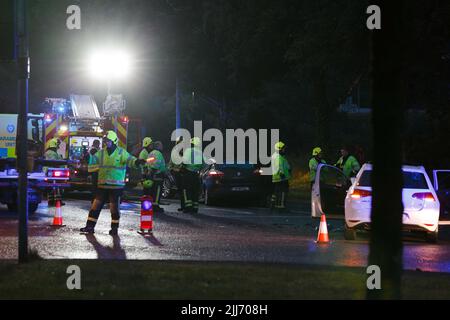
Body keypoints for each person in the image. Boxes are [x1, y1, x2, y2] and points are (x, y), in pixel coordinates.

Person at [80, 131, 146, 235]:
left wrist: (137, 162)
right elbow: (93, 160)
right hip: (102, 185)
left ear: (114, 141)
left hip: (116, 187)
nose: (106, 143)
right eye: (105, 141)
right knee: (95, 207)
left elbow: (131, 160)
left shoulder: (121, 152)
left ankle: (114, 229)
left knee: (114, 209)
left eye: (108, 141)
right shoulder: (101, 152)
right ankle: (89, 227)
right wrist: (88, 157)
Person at [181, 137, 204, 213]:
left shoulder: (189, 150)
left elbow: (185, 161)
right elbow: (203, 165)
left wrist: (182, 168)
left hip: (188, 173)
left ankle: (188, 207)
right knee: (195, 191)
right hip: (196, 175)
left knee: (186, 190)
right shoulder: (201, 152)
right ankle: (195, 208)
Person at [146, 141, 167, 212]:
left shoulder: (151, 153)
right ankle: (155, 206)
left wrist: (150, 172)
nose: (162, 147)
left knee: (152, 190)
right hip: (158, 174)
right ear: (158, 146)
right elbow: (157, 164)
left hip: (151, 174)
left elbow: (148, 162)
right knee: (157, 190)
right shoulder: (158, 153)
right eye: (161, 145)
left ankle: (152, 205)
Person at [271, 141, 291, 211]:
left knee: (276, 192)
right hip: (281, 178)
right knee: (283, 192)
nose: (284, 150)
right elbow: (279, 167)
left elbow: (285, 165)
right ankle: (281, 206)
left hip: (277, 178)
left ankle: (273, 205)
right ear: (279, 149)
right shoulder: (278, 157)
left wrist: (289, 168)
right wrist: (282, 174)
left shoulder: (279, 156)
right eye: (283, 148)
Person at [44, 138, 63, 207]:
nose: (58, 147)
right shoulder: (52, 153)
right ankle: (58, 201)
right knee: (57, 186)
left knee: (50, 187)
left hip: (48, 173)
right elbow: (55, 162)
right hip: (52, 173)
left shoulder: (48, 152)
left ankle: (51, 201)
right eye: (57, 145)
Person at [168, 137, 185, 212]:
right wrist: (172, 170)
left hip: (184, 173)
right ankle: (183, 206)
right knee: (181, 191)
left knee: (184, 191)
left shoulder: (186, 152)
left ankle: (185, 206)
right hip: (178, 173)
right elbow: (170, 164)